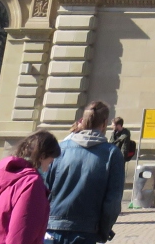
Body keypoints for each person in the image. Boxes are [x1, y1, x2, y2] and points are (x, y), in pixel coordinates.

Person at [44, 100, 126, 244]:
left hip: (52, 228)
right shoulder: (112, 154)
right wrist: (104, 231)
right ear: (104, 123)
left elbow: (44, 188)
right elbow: (113, 201)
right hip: (86, 230)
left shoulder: (61, 148)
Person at [0, 130, 61, 244]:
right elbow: (22, 231)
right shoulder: (31, 182)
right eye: (49, 162)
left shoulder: (3, 171)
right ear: (42, 157)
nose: (48, 168)